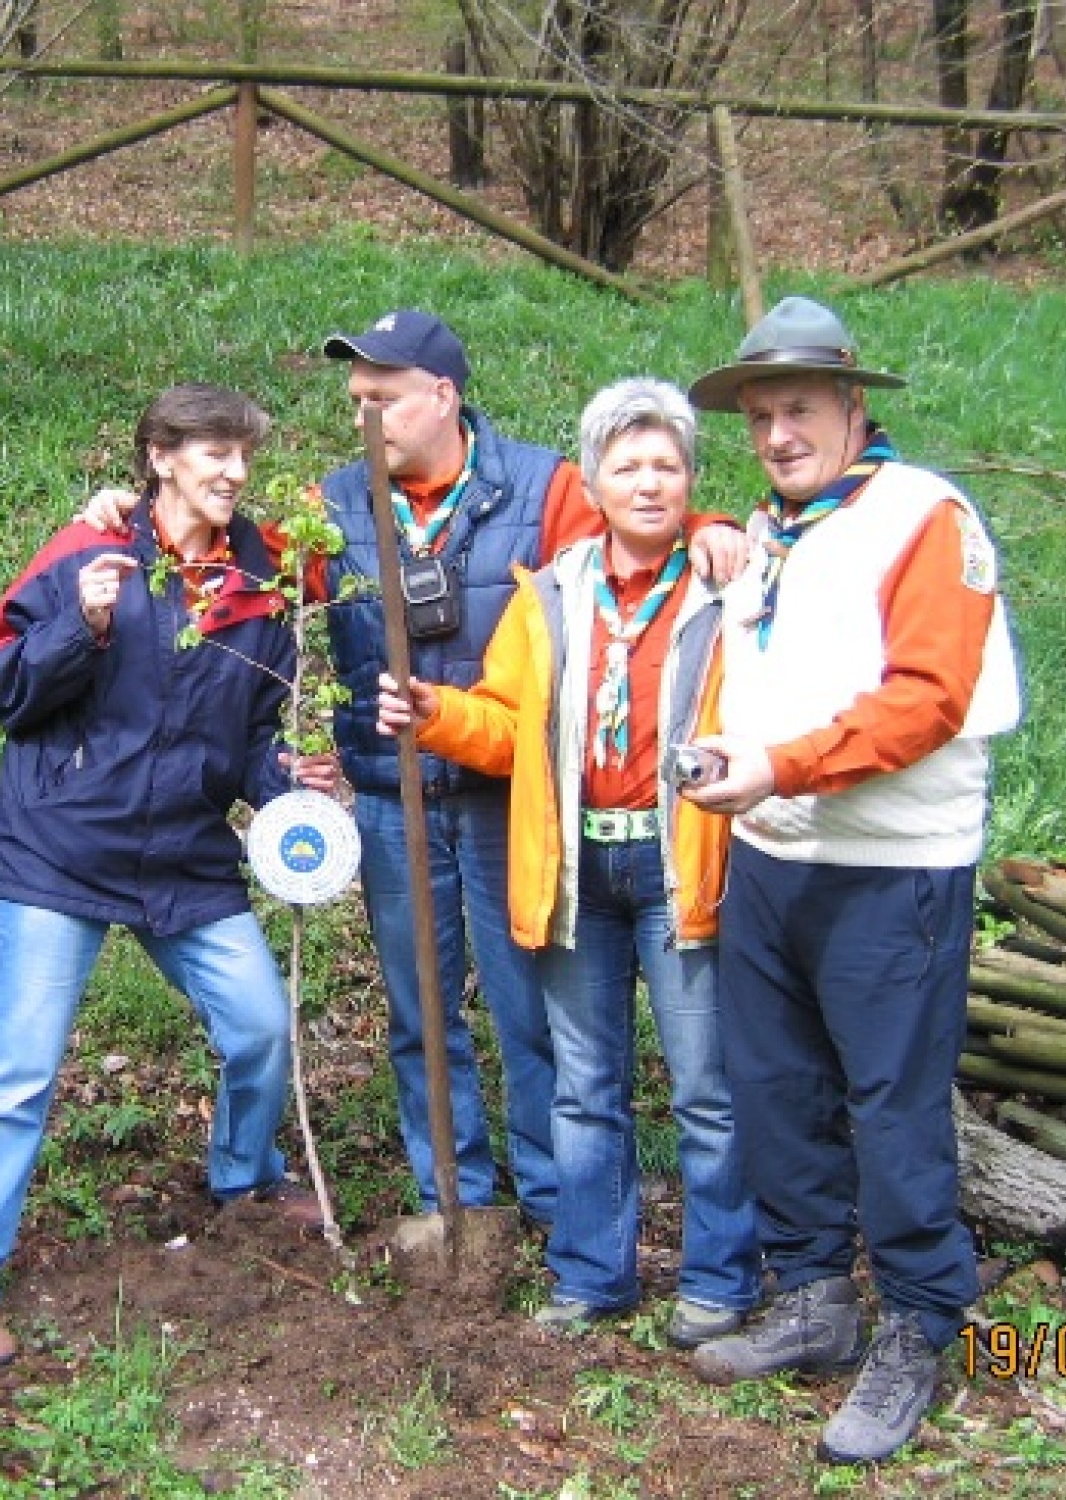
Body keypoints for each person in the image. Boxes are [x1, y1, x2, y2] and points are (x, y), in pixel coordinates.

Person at [77, 311, 744, 1226]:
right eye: (356, 398)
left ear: (442, 396)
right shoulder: (333, 505)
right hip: (392, 802)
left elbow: (642, 527)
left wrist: (710, 526)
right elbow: (230, 562)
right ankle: (452, 1201)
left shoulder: (541, 487)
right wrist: (132, 516)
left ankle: (553, 1202)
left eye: (381, 398)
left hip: (511, 799)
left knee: (528, 1013)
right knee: (420, 1016)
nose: (364, 415)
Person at [0, 384, 336, 1368]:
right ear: (160, 457)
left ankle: (243, 1173)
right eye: (213, 453)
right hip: (61, 846)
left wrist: (290, 787)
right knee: (18, 1072)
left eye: (242, 455)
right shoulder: (88, 550)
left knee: (259, 1026)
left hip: (183, 856)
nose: (233, 472)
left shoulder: (261, 577)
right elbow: (1, 688)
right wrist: (82, 624)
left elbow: (248, 737)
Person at [681, 298, 1022, 1463]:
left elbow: (925, 697)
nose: (775, 434)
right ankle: (814, 1295)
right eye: (758, 417)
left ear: (849, 406)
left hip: (892, 871)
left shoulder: (922, 516)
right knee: (776, 1087)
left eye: (797, 410)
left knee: (890, 1103)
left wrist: (780, 764)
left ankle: (922, 1321)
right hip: (772, 856)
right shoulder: (774, 527)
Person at [376, 379, 758, 1343]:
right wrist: (436, 714)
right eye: (626, 467)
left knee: (705, 1088)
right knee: (584, 1090)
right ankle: (592, 1273)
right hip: (578, 871)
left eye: (666, 466)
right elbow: (510, 729)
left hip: (681, 867)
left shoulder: (728, 586)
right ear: (591, 485)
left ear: (690, 481)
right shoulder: (548, 595)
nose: (647, 483)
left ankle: (719, 1278)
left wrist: (722, 532)